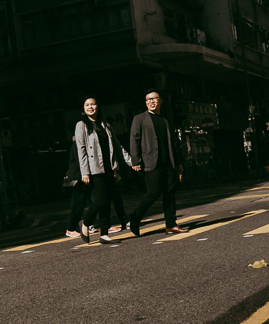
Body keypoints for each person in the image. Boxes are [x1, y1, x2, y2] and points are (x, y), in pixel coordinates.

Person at [128, 89, 187, 236]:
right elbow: (134, 140)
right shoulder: (139, 118)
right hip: (151, 162)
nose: (151, 102)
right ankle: (135, 218)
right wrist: (135, 160)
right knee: (152, 193)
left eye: (154, 99)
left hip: (168, 162)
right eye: (148, 99)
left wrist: (178, 162)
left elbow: (173, 143)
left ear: (160, 101)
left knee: (170, 193)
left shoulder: (166, 119)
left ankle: (171, 225)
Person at [75, 97, 127, 245]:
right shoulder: (81, 125)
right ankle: (85, 223)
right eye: (87, 105)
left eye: (93, 104)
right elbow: (81, 150)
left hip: (108, 168)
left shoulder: (105, 125)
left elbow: (115, 147)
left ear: (98, 107)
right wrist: (85, 172)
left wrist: (120, 166)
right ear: (84, 109)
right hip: (94, 169)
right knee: (101, 200)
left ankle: (104, 234)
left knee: (107, 202)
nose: (90, 107)